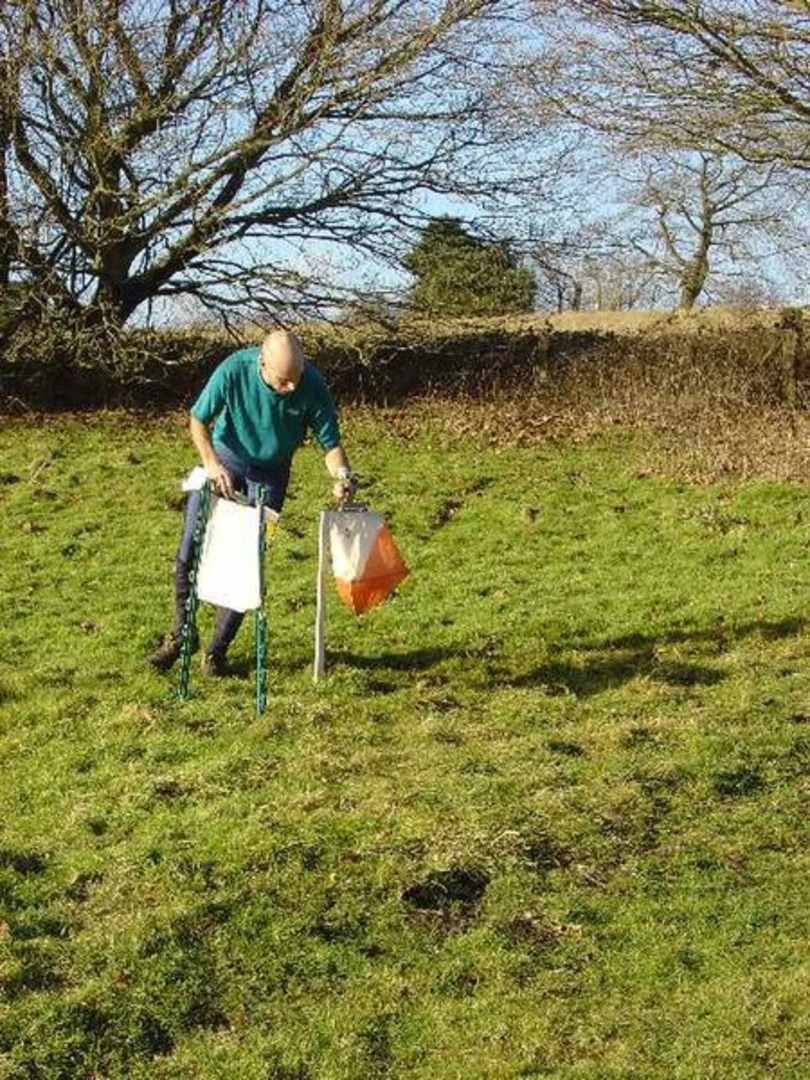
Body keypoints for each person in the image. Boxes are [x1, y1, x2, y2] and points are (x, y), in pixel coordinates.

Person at [150, 329, 356, 676]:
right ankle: (182, 635)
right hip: (225, 460)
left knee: (245, 567)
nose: (291, 388)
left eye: (296, 379)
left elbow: (330, 444)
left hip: (271, 477)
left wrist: (343, 476)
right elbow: (198, 420)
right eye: (283, 381)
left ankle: (216, 653)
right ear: (262, 363)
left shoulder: (311, 384)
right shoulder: (233, 370)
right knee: (190, 551)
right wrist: (213, 465)